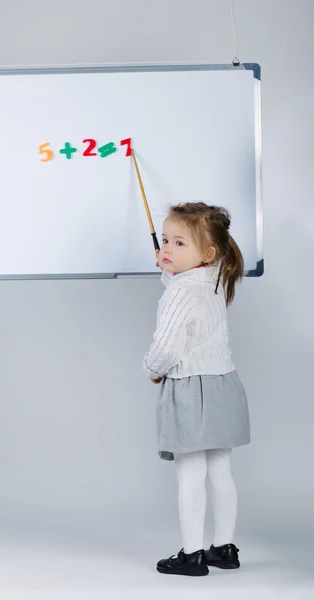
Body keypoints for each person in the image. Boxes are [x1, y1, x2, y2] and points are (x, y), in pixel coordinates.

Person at [143, 202, 251, 577]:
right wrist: (169, 267)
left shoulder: (180, 292)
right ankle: (224, 548)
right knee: (221, 471)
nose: (166, 249)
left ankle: (192, 556)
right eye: (166, 240)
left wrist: (151, 370)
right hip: (223, 384)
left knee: (190, 474)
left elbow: (167, 347)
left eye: (178, 244)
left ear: (207, 253)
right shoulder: (217, 275)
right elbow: (184, 283)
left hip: (189, 388)